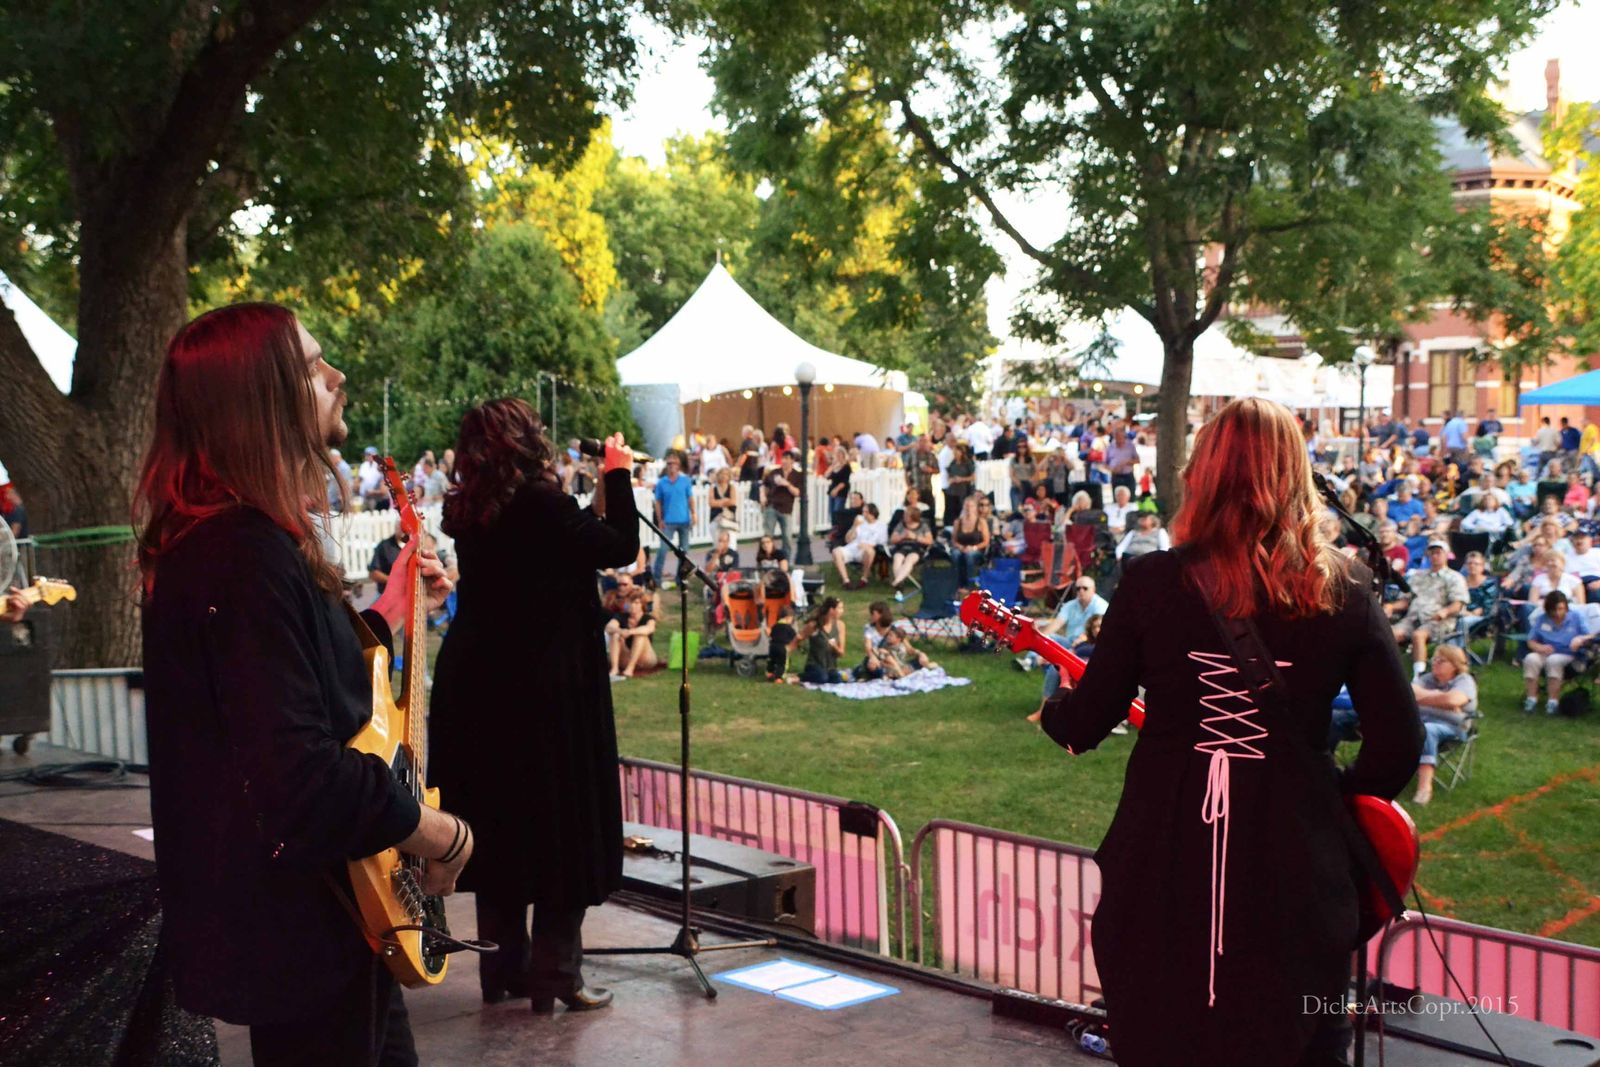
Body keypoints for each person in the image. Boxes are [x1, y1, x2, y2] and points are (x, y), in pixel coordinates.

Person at [1039, 397, 1422, 1067]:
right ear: (1294, 476)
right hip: (1295, 863)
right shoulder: (1345, 586)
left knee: (1163, 1039)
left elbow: (1086, 722)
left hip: (1165, 857)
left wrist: (1056, 709)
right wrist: (1327, 796)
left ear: (1204, 475)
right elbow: (1398, 744)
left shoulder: (1153, 582)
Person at [136, 303, 462, 1064]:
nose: (337, 374)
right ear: (263, 399)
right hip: (305, 927)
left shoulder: (241, 543)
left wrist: (390, 609)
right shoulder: (241, 555)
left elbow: (296, 684)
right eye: (314, 367)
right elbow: (300, 776)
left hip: (336, 912)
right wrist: (439, 831)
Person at [428, 397, 639, 1014]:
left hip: (479, 685)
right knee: (561, 824)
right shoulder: (541, 505)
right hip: (545, 689)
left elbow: (565, 548)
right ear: (525, 441)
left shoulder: (470, 509)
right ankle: (557, 974)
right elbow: (619, 546)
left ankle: (504, 971)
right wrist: (619, 473)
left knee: (498, 826)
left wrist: (592, 497)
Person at [1410, 646, 1477, 805]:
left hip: (1453, 727)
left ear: (1455, 665)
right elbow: (1408, 693)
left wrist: (1422, 700)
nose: (1435, 663)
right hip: (1419, 722)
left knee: (1427, 730)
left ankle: (1424, 788)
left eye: (1441, 661)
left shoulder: (1464, 680)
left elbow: (1453, 700)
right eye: (1434, 659)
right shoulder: (1427, 678)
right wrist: (1440, 698)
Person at [1390, 539, 1469, 673]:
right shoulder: (1417, 576)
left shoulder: (1455, 577)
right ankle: (1386, 668)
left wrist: (1444, 612)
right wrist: (1391, 607)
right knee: (1389, 634)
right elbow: (1405, 600)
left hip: (1439, 620)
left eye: (1438, 553)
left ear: (1446, 555)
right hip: (1413, 618)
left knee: (1418, 635)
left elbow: (1458, 603)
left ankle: (1418, 674)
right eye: (1432, 553)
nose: (1435, 556)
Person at [1523, 590, 1593, 714]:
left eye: (1560, 609)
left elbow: (1590, 636)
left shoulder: (1576, 617)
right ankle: (1531, 699)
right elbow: (1531, 641)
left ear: (1566, 607)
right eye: (1553, 610)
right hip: (1546, 652)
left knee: (1554, 660)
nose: (1557, 613)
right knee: (1530, 659)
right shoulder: (1542, 619)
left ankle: (1553, 702)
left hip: (1570, 654)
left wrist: (1580, 639)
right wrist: (1539, 647)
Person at [652, 452, 695, 587]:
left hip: (684, 521)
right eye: (669, 463)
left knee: (684, 551)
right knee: (662, 550)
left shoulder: (685, 481)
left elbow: (690, 498)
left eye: (674, 463)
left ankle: (680, 579)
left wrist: (694, 514)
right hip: (668, 522)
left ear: (678, 465)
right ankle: (656, 579)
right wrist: (660, 519)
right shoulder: (661, 483)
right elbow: (658, 502)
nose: (671, 466)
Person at [832, 502, 887, 590]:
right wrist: (854, 526)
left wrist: (867, 545)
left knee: (870, 551)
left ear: (873, 514)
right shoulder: (860, 523)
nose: (863, 514)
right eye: (863, 512)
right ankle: (846, 581)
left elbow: (882, 541)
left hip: (866, 551)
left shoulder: (881, 526)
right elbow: (848, 540)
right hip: (853, 548)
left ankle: (864, 579)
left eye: (866, 512)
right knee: (836, 551)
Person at [760, 451, 803, 559]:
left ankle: (785, 561)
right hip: (772, 506)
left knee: (787, 537)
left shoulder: (797, 475)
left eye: (787, 458)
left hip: (786, 508)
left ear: (792, 460)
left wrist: (787, 484)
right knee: (768, 536)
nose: (784, 461)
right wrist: (762, 496)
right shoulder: (775, 472)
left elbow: (798, 493)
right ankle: (766, 559)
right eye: (783, 458)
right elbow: (764, 485)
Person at [606, 594, 659, 680]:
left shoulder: (648, 618)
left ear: (642, 605)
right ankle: (614, 668)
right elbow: (609, 627)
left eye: (636, 603)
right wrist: (620, 631)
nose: (632, 605)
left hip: (645, 658)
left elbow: (649, 628)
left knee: (640, 635)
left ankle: (630, 669)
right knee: (615, 635)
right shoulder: (621, 616)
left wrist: (630, 632)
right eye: (630, 602)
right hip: (626, 656)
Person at [888, 503, 934, 599]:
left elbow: (930, 541)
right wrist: (902, 536)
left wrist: (915, 537)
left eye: (906, 515)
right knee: (897, 558)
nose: (904, 516)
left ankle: (897, 581)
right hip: (902, 547)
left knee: (910, 559)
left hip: (917, 548)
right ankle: (899, 582)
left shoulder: (923, 526)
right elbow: (892, 539)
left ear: (913, 516)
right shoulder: (901, 525)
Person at [799, 596, 847, 683]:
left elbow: (841, 653)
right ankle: (800, 677)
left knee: (837, 680)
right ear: (831, 610)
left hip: (830, 667)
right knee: (822, 678)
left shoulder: (840, 625)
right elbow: (799, 637)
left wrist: (835, 646)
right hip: (814, 664)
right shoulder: (815, 625)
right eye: (840, 608)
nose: (842, 611)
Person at [950, 494, 990, 587]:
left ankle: (970, 584)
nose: (968, 508)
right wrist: (960, 547)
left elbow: (986, 541)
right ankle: (957, 584)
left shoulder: (981, 522)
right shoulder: (958, 522)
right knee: (955, 554)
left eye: (971, 506)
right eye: (966, 506)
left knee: (970, 556)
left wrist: (973, 548)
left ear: (975, 507)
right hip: (961, 548)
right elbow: (953, 540)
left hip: (976, 549)